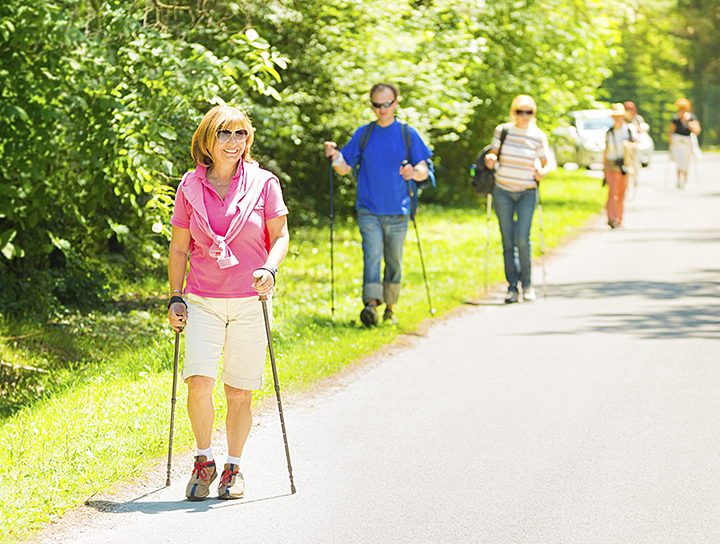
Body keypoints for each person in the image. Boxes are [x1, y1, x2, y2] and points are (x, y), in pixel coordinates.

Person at [167, 105, 289, 501]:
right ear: (207, 139)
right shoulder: (189, 186)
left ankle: (233, 467)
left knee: (239, 391)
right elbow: (179, 247)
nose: (233, 142)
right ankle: (204, 460)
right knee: (198, 382)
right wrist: (175, 296)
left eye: (240, 135)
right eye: (224, 133)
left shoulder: (264, 183)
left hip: (251, 299)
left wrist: (269, 269)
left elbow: (281, 235)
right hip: (202, 298)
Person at [323, 83, 433, 326]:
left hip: (399, 211)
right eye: (376, 104)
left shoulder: (407, 133)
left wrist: (413, 171)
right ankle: (371, 306)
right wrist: (335, 156)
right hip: (368, 208)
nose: (382, 109)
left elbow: (424, 169)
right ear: (371, 105)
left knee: (394, 259)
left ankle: (390, 307)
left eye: (387, 104)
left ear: (396, 103)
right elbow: (345, 168)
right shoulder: (364, 134)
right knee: (371, 255)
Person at [484, 94, 550, 304]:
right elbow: (493, 154)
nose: (524, 116)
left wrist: (542, 172)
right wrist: (490, 159)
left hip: (527, 191)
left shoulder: (538, 136)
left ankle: (527, 284)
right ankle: (512, 287)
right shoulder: (503, 131)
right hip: (502, 190)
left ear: (534, 113)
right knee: (507, 240)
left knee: (522, 238)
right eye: (520, 112)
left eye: (528, 112)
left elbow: (546, 163)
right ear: (514, 112)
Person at [603, 103, 637, 229]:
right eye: (615, 116)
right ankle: (611, 218)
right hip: (612, 165)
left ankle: (619, 219)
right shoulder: (609, 132)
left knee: (622, 193)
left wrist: (628, 145)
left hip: (625, 164)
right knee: (612, 192)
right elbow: (606, 151)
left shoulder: (629, 130)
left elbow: (635, 144)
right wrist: (604, 166)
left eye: (619, 116)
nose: (618, 118)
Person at [668, 98, 701, 189]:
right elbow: (671, 131)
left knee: (686, 161)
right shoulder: (675, 119)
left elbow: (697, 131)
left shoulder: (692, 118)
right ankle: (678, 180)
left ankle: (685, 181)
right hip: (678, 142)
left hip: (687, 141)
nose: (682, 111)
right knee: (679, 160)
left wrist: (692, 127)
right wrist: (670, 138)